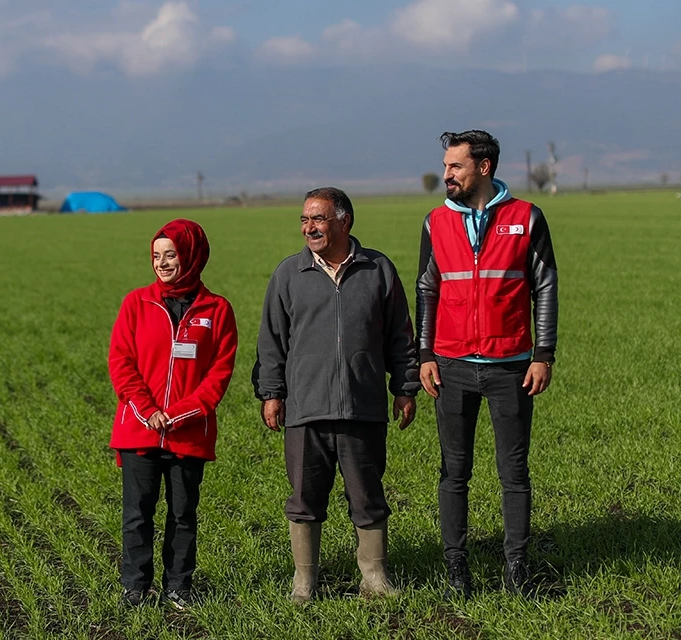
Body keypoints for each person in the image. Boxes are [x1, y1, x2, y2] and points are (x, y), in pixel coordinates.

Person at [252, 187, 419, 604]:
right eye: (305, 220)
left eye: (319, 219)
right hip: (305, 409)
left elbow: (400, 335)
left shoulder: (378, 269)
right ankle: (304, 582)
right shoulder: (289, 274)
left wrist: (404, 387)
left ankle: (374, 578)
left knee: (368, 496)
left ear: (345, 221)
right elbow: (271, 342)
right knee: (304, 498)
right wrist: (272, 393)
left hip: (363, 407)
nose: (310, 228)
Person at [416, 130, 559, 599]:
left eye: (455, 166)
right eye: (445, 165)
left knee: (513, 473)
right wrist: (424, 355)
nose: (446, 174)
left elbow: (545, 287)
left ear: (483, 167)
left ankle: (517, 568)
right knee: (454, 472)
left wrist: (543, 354)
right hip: (452, 366)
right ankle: (456, 569)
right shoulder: (436, 222)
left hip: (511, 367)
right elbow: (426, 289)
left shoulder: (526, 218)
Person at [107, 218, 238, 610]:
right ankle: (135, 586)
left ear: (192, 255)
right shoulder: (136, 302)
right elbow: (121, 361)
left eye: (171, 254)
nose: (162, 263)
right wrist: (148, 411)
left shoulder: (217, 310)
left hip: (188, 432)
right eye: (156, 256)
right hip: (139, 429)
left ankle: (179, 585)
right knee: (137, 514)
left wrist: (178, 414)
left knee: (183, 514)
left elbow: (219, 372)